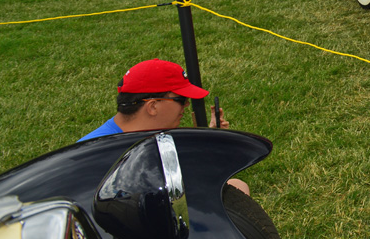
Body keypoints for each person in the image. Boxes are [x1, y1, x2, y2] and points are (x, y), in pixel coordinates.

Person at [79, 59, 247, 194]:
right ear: (153, 106)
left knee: (236, 186)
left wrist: (210, 142)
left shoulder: (146, 133)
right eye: (181, 99)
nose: (187, 105)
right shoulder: (99, 153)